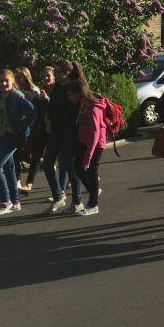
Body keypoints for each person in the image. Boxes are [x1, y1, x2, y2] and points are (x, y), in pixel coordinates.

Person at [0, 69, 36, 216]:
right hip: (0, 135)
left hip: (12, 137)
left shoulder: (17, 96)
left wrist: (19, 128)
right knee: (9, 168)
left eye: (6, 80)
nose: (3, 83)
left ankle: (5, 201)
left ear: (13, 80)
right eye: (0, 81)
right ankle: (15, 202)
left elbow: (32, 114)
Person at [44, 59, 83, 213]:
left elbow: (80, 107)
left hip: (70, 131)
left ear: (66, 72)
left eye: (57, 71)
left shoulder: (75, 86)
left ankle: (77, 201)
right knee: (47, 163)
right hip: (56, 131)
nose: (55, 74)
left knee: (69, 166)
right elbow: (52, 106)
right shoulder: (57, 87)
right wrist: (48, 120)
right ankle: (58, 197)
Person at [67, 62, 106, 217]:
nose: (69, 98)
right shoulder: (83, 104)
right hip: (85, 140)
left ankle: (93, 204)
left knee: (91, 170)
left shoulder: (93, 108)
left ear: (79, 93)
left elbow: (95, 132)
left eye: (71, 95)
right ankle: (94, 190)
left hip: (96, 143)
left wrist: (89, 155)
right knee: (77, 166)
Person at [14, 67, 48, 194]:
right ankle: (17, 181)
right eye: (16, 77)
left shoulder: (34, 91)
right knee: (20, 154)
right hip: (24, 127)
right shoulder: (17, 91)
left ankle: (28, 183)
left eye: (21, 77)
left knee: (34, 156)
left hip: (37, 127)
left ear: (27, 77)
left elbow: (40, 108)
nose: (19, 79)